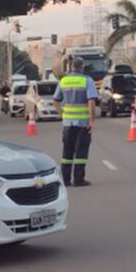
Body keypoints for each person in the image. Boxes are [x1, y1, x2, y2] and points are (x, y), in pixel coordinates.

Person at [52, 57, 97, 187]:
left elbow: (55, 101)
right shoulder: (87, 81)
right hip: (82, 123)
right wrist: (92, 120)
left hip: (67, 123)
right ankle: (78, 179)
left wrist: (63, 114)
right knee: (81, 152)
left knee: (67, 152)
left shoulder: (63, 81)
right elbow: (91, 101)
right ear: (82, 67)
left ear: (71, 67)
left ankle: (65, 180)